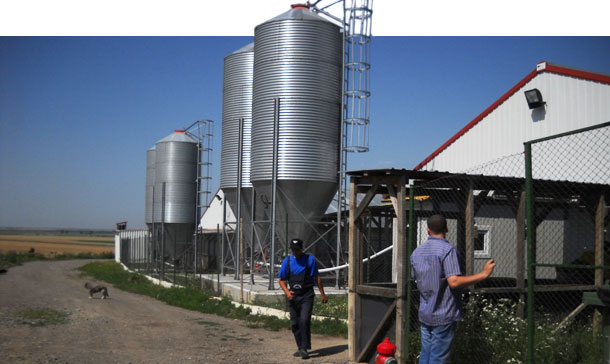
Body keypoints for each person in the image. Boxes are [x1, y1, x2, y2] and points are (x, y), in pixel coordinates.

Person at [410, 214, 496, 364]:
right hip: (444, 313)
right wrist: (483, 274)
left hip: (425, 312)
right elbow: (454, 281)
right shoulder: (448, 250)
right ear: (447, 228)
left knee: (426, 355)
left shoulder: (417, 253)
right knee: (438, 359)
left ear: (428, 230)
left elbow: (415, 277)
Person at [278, 238, 328, 360]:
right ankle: (300, 347)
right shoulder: (287, 261)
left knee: (304, 320)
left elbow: (317, 278)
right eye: (293, 250)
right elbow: (281, 280)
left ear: (301, 249)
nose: (295, 252)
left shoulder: (309, 260)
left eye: (297, 249)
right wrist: (287, 293)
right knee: (295, 323)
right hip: (293, 296)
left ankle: (304, 348)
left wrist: (323, 294)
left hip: (307, 295)